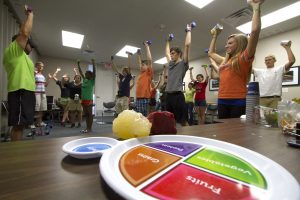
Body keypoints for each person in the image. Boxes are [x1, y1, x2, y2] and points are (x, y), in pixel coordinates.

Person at [208, 0, 264, 119]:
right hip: (222, 99)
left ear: (239, 44)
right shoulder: (225, 61)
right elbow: (211, 53)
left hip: (238, 100)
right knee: (223, 131)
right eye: (226, 43)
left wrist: (256, 7)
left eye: (230, 43)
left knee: (236, 133)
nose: (226, 46)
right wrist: (214, 36)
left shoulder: (243, 58)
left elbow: (255, 32)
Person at [3, 5, 35, 141]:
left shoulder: (23, 57)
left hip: (26, 91)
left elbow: (24, 34)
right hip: (19, 90)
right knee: (18, 125)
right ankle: (15, 158)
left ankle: (16, 152)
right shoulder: (13, 51)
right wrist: (30, 14)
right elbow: (25, 33)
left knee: (20, 125)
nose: (30, 45)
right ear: (19, 42)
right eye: (28, 43)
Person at [253, 41, 295, 109]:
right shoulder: (259, 71)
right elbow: (248, 68)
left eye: (269, 59)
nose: (267, 61)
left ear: (274, 60)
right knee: (261, 118)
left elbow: (292, 61)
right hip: (262, 99)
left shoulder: (279, 69)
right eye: (266, 60)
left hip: (275, 99)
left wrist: (287, 48)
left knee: (274, 118)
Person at [165, 23, 192, 125]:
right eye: (171, 53)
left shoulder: (183, 63)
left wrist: (189, 31)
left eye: (173, 53)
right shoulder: (170, 64)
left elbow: (187, 45)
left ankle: (187, 137)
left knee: (183, 121)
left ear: (179, 54)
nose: (171, 55)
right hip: (168, 96)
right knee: (169, 120)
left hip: (178, 96)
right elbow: (166, 53)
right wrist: (168, 41)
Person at [135, 42, 154, 116]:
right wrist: (139, 55)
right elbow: (139, 63)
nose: (141, 66)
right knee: (139, 116)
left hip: (144, 98)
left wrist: (147, 47)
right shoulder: (141, 73)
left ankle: (145, 127)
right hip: (138, 98)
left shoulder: (148, 73)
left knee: (144, 116)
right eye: (141, 65)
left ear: (147, 66)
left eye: (143, 65)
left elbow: (149, 60)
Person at [77, 59, 96, 133]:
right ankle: (87, 128)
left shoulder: (92, 81)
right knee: (86, 115)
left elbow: (94, 73)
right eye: (85, 73)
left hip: (89, 100)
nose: (85, 74)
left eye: (86, 73)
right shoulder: (84, 80)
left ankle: (89, 128)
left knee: (89, 114)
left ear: (90, 75)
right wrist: (78, 65)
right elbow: (81, 72)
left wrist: (93, 63)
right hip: (83, 99)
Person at [34, 61, 49, 127]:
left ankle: (39, 122)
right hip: (36, 93)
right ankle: (33, 123)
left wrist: (49, 78)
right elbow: (31, 82)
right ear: (37, 66)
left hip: (43, 93)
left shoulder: (42, 76)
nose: (42, 67)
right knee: (36, 108)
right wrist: (34, 74)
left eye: (42, 66)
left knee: (42, 108)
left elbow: (46, 85)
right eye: (40, 66)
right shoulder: (34, 74)